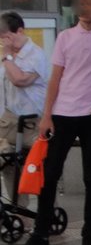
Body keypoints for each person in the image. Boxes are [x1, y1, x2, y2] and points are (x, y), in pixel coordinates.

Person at [19, 0, 91, 245]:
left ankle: (89, 237)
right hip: (63, 113)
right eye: (82, 4)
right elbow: (55, 78)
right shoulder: (65, 37)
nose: (85, 9)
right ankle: (41, 233)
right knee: (50, 174)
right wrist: (47, 115)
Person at [0, 11, 50, 169]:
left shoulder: (35, 54)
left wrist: (6, 56)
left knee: (36, 169)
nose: (5, 43)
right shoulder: (9, 55)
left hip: (31, 123)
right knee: (9, 169)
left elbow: (19, 80)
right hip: (9, 120)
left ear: (20, 31)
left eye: (7, 37)